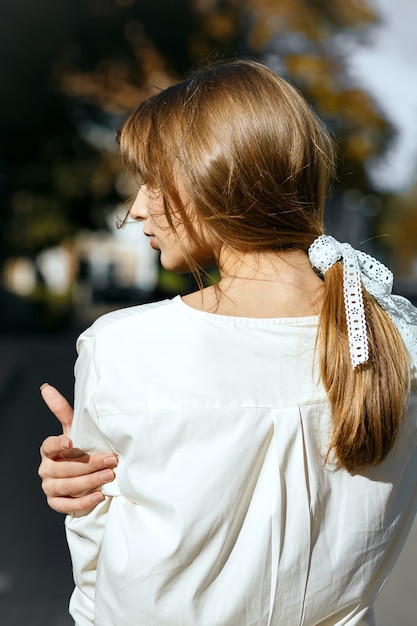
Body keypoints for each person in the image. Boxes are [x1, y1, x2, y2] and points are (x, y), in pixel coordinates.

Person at [38, 60, 417, 626]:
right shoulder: (394, 341)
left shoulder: (125, 347)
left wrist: (85, 495)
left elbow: (100, 580)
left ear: (211, 181)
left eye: (151, 181)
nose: (136, 208)